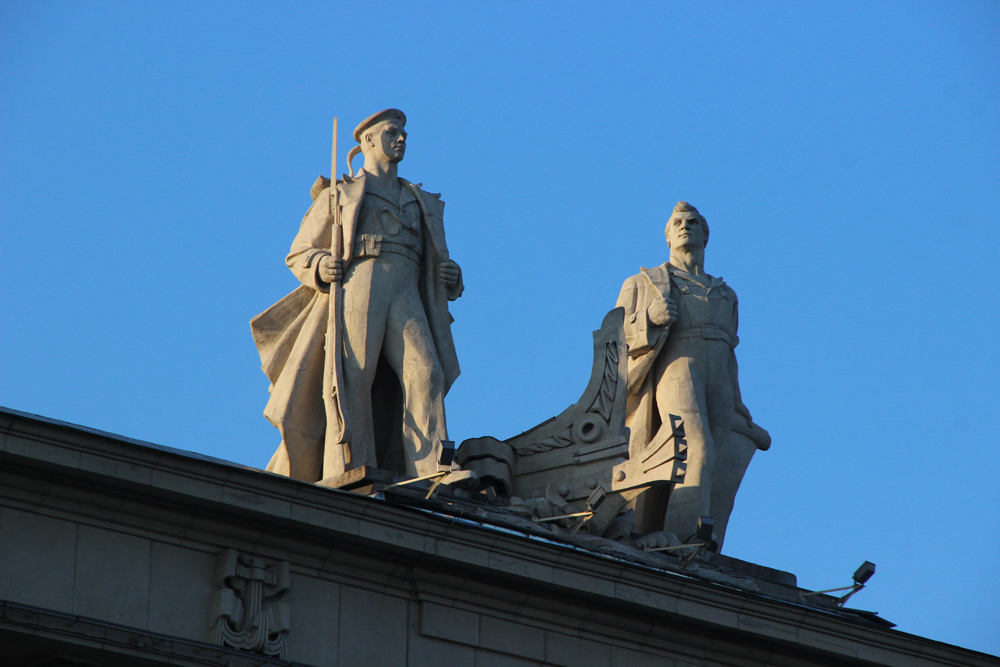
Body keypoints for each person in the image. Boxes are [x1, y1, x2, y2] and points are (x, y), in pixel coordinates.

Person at [251, 109, 463, 483]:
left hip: (407, 287)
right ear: (367, 141)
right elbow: (299, 252)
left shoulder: (419, 200)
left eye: (403, 134)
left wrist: (452, 277)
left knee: (426, 372)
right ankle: (348, 464)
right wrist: (319, 265)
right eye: (392, 133)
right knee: (354, 376)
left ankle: (433, 469)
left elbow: (437, 260)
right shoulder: (342, 194)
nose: (401, 140)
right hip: (361, 281)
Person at [616, 202, 769, 549]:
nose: (685, 226)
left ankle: (705, 535)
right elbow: (614, 335)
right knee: (693, 447)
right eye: (677, 223)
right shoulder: (645, 282)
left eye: (693, 222)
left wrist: (739, 403)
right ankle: (681, 538)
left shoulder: (726, 294)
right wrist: (649, 319)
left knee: (715, 454)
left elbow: (730, 351)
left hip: (718, 376)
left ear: (705, 234)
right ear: (667, 236)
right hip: (676, 365)